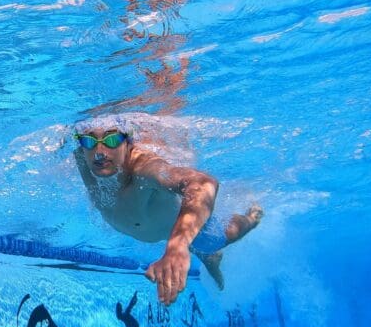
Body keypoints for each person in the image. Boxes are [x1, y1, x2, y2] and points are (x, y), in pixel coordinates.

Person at [73, 115, 262, 305]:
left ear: (128, 143)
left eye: (112, 140)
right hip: (157, 229)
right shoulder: (84, 155)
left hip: (195, 234)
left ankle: (253, 215)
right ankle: (209, 258)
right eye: (89, 141)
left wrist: (177, 247)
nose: (99, 152)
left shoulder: (144, 169)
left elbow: (204, 184)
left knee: (223, 235)